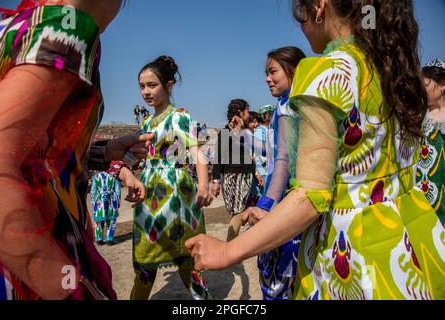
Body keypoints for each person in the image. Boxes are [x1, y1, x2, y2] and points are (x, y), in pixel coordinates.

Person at [187, 0, 445, 300]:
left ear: (319, 7)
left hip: (354, 255)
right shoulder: (393, 71)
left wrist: (227, 250)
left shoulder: (328, 72)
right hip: (416, 245)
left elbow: (310, 196)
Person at [0, 0, 153, 300]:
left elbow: (36, 150)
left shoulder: (17, 25)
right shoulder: (65, 27)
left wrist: (101, 153)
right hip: (24, 260)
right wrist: (62, 284)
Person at [131, 55, 213, 300]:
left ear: (168, 85)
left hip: (176, 194)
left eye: (152, 85)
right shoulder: (146, 121)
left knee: (186, 255)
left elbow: (197, 152)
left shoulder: (179, 116)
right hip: (149, 192)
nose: (146, 92)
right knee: (145, 260)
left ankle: (202, 300)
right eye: (142, 86)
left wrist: (204, 186)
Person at [247, 47, 306, 300]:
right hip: (305, 198)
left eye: (273, 72)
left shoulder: (287, 107)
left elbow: (283, 159)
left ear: (292, 71)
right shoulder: (305, 102)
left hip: (284, 198)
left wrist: (266, 204)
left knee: (277, 280)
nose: (267, 78)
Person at [211, 99, 254, 241]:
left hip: (246, 176)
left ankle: (232, 245)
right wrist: (216, 181)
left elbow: (251, 155)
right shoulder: (224, 133)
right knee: (237, 212)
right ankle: (231, 246)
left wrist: (256, 173)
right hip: (231, 177)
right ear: (240, 112)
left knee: (239, 211)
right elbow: (218, 158)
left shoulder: (247, 133)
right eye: (247, 111)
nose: (248, 115)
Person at [417, 59, 445, 225]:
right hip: (419, 194)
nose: (421, 90)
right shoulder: (417, 116)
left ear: (443, 86)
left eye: (426, 85)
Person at [90, 169, 122, 246]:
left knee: (98, 221)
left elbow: (93, 190)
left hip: (99, 201)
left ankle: (99, 239)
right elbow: (118, 190)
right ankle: (109, 239)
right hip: (111, 199)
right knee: (111, 220)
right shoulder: (114, 175)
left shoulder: (96, 176)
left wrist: (93, 200)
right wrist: (118, 201)